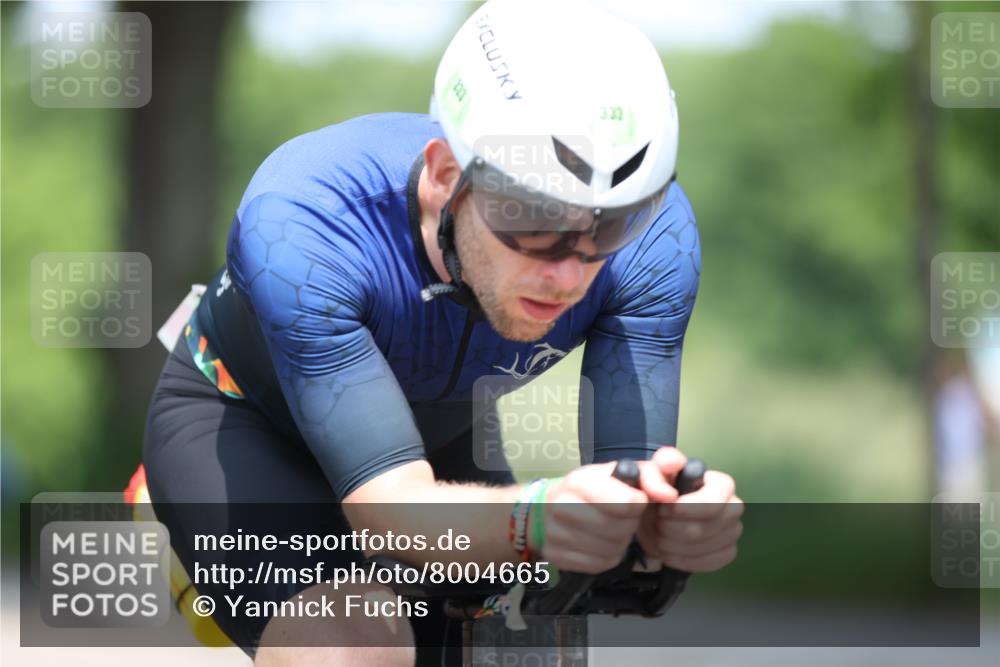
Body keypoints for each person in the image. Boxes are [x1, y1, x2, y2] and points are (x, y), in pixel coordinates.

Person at [142, 1, 743, 665]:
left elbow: (629, 500)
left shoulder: (657, 241)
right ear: (444, 178)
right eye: (534, 217)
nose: (569, 271)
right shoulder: (304, 221)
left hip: (438, 444)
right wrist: (537, 514)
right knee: (358, 646)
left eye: (611, 223)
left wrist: (666, 527)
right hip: (245, 430)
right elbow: (390, 509)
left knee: (514, 647)